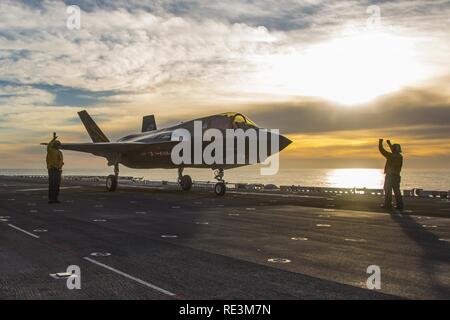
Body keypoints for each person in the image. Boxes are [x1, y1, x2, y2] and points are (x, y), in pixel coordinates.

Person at [379, 138, 403, 210]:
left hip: (390, 176)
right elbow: (393, 150)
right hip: (397, 176)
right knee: (396, 191)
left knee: (387, 189)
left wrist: (380, 143)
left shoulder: (391, 156)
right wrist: (389, 144)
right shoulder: (400, 156)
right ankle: (400, 205)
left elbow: (382, 150)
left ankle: (388, 205)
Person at [47, 132, 64, 204]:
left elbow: (61, 161)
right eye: (58, 145)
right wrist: (53, 139)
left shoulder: (60, 152)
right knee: (52, 184)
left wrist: (60, 167)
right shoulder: (51, 151)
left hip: (58, 170)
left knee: (57, 185)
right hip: (52, 169)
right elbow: (48, 146)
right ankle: (51, 199)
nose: (59, 146)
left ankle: (56, 198)